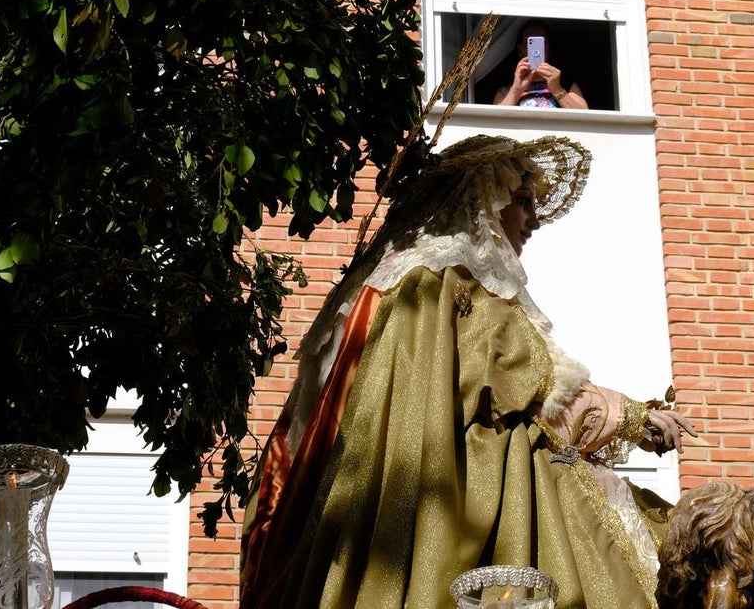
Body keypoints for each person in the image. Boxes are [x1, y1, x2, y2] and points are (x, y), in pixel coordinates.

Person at [238, 134, 697, 609]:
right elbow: (529, 390)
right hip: (460, 499)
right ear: (482, 203)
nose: (533, 221)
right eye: (521, 201)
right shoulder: (451, 281)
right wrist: (632, 417)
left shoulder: (388, 283)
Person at [494, 21, 589, 109]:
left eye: (542, 42)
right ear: (520, 49)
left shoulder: (564, 83)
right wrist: (516, 90)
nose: (536, 50)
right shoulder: (508, 88)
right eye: (529, 42)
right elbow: (494, 121)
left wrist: (557, 89)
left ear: (549, 47)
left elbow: (585, 118)